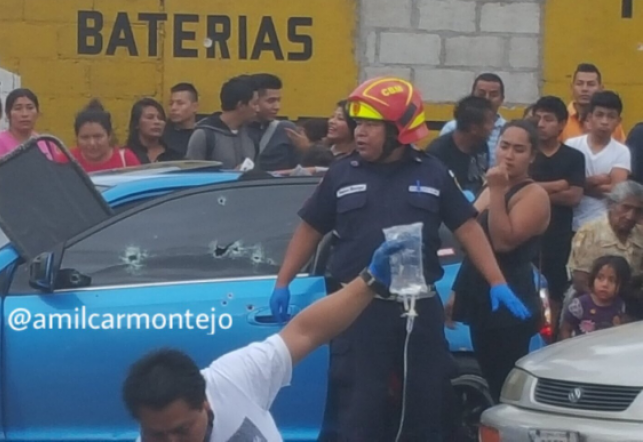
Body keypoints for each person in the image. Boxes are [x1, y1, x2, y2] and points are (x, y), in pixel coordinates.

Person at [269, 77, 531, 441]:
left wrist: (497, 281)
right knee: (358, 410)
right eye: (358, 123)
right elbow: (310, 229)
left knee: (426, 407)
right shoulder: (342, 173)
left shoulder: (433, 172)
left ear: (399, 131)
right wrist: (283, 281)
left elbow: (468, 229)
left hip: (417, 311)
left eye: (371, 125)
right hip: (358, 310)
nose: (360, 133)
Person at [123, 239, 406, 442]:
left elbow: (306, 332)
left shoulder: (233, 379)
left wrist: (370, 281)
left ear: (206, 405)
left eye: (183, 431)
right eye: (157, 436)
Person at [449, 120, 550, 402]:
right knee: (488, 378)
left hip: (510, 299)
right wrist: (457, 291)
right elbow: (470, 241)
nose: (508, 155)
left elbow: (502, 241)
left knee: (504, 383)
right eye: (504, 146)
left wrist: (496, 192)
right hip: (479, 295)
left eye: (519, 150)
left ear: (531, 156)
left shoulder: (534, 195)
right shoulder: (490, 187)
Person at [528, 96, 586, 332]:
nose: (541, 124)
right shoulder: (527, 155)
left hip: (559, 235)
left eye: (548, 119)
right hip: (527, 231)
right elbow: (518, 188)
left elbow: (574, 196)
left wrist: (534, 189)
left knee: (554, 290)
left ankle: (551, 339)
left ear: (562, 124)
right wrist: (557, 185)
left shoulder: (573, 157)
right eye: (538, 118)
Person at [564, 180, 643, 320]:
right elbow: (580, 280)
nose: (630, 216)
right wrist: (609, 305)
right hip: (593, 303)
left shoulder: (640, 234)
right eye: (626, 207)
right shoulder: (590, 232)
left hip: (633, 301)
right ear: (611, 205)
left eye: (638, 211)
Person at [565, 90, 632, 231]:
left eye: (611, 116)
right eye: (599, 115)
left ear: (618, 121)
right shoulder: (572, 145)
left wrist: (579, 185)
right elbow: (564, 185)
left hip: (604, 227)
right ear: (589, 118)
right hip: (570, 223)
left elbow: (617, 191)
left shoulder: (622, 151)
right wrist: (594, 181)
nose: (604, 121)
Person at [425, 95, 495, 195]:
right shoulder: (437, 155)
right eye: (489, 122)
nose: (493, 127)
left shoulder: (481, 145)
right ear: (474, 129)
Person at [185, 76, 259, 169]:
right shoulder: (205, 135)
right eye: (255, 104)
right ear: (241, 105)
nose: (258, 109)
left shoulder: (251, 135)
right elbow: (192, 175)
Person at [438, 73, 507, 166]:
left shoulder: (508, 130)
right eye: (481, 94)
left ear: (502, 99)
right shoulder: (452, 128)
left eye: (493, 95)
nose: (487, 99)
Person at [560, 255, 631, 340]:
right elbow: (565, 329)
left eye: (611, 280)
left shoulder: (620, 305)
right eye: (600, 278)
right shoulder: (580, 305)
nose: (604, 284)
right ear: (593, 279)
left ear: (621, 285)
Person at [0, 88, 54, 166]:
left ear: (38, 113)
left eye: (30, 108)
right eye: (18, 108)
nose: (25, 114)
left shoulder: (47, 142)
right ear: (8, 114)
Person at [244, 73, 301, 171]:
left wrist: (305, 149)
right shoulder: (236, 130)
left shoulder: (286, 130)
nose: (277, 107)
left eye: (278, 101)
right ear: (254, 101)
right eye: (271, 101)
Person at [67, 99, 140, 172]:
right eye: (85, 137)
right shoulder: (66, 160)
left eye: (98, 136)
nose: (92, 143)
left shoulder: (126, 159)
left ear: (109, 136)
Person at [561, 63, 626, 142]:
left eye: (591, 84)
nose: (584, 89)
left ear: (601, 88)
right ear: (572, 87)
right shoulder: (561, 118)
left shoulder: (609, 120)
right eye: (580, 84)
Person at [127, 98, 178, 163]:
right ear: (136, 123)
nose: (157, 122)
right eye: (150, 117)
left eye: (160, 118)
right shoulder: (125, 156)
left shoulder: (175, 157)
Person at [163, 82, 199, 159]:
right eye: (171, 103)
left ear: (195, 107)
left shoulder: (205, 133)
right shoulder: (162, 133)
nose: (173, 108)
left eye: (180, 103)